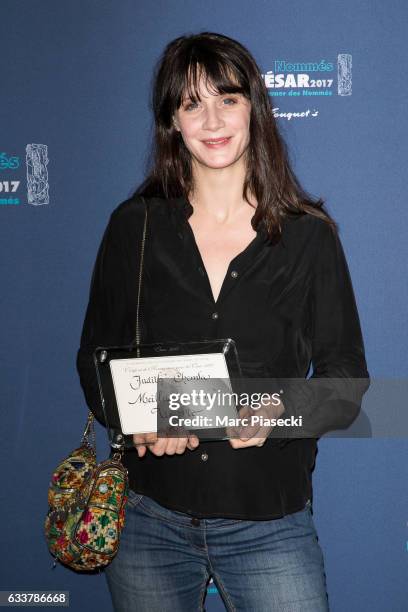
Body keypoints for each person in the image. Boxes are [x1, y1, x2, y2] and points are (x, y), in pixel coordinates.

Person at [76, 31, 370, 612]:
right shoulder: (131, 229)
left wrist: (278, 409)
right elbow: (95, 359)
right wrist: (141, 420)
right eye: (192, 103)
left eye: (227, 98)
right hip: (148, 523)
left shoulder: (308, 236)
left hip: (269, 524)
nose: (212, 118)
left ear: (254, 108)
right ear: (172, 122)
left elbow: (347, 381)